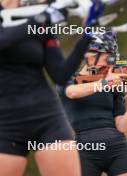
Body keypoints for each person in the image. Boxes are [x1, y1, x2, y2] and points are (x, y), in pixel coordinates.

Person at [0, 0, 93, 175]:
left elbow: (60, 74)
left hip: (47, 118)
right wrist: (41, 18)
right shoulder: (39, 17)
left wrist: (87, 33)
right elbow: (3, 39)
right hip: (5, 122)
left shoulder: (38, 16)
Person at [58, 31, 127, 176]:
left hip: (117, 147)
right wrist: (105, 83)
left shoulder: (113, 83)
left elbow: (122, 125)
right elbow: (72, 92)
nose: (109, 63)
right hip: (85, 150)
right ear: (89, 55)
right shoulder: (68, 77)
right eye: (107, 57)